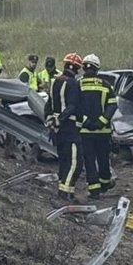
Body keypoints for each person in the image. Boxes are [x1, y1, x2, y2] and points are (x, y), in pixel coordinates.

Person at [46, 53, 86, 201]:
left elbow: (48, 104)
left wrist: (50, 120)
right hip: (69, 128)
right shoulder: (73, 84)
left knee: (63, 160)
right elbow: (72, 106)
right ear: (77, 68)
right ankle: (65, 193)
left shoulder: (55, 81)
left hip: (57, 130)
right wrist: (60, 120)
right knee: (75, 162)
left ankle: (63, 190)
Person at [76, 54, 116, 197]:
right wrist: (101, 121)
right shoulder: (106, 85)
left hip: (85, 131)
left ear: (83, 67)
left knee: (89, 160)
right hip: (103, 131)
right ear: (97, 68)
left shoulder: (78, 84)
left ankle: (94, 190)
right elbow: (112, 105)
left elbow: (74, 106)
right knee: (103, 158)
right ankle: (105, 182)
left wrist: (86, 121)